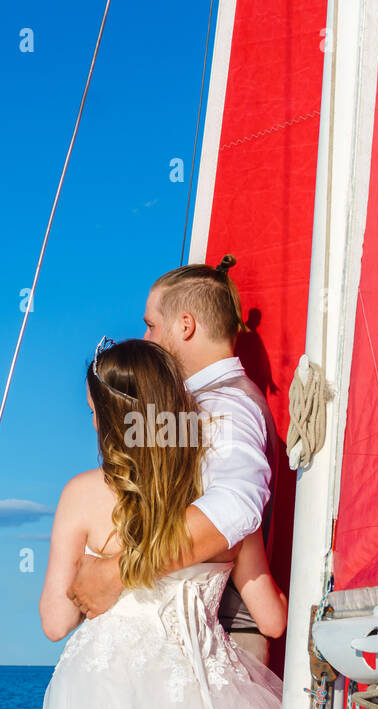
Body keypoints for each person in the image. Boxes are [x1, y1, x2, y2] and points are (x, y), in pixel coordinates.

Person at [20, 338, 287, 709]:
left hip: (104, 697)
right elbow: (273, 620)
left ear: (108, 419)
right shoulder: (219, 507)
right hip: (213, 695)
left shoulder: (83, 494)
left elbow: (55, 621)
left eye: (95, 412)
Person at [68, 256, 280, 667]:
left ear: (185, 326)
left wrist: (118, 570)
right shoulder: (195, 409)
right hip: (194, 638)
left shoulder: (226, 409)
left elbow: (235, 506)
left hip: (221, 640)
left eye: (151, 325)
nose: (145, 338)